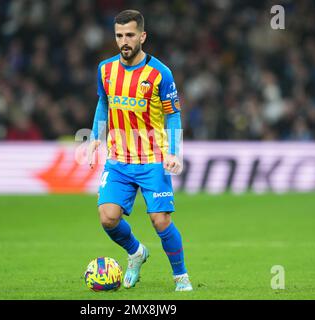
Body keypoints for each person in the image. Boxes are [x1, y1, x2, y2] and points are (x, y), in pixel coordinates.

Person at [87, 9, 192, 292]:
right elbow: (103, 103)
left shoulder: (160, 73)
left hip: (153, 158)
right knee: (108, 217)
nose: (124, 41)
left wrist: (173, 152)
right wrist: (96, 136)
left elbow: (173, 115)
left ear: (142, 36)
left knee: (160, 220)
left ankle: (180, 277)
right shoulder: (105, 70)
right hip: (119, 158)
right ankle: (136, 252)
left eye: (130, 35)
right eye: (119, 35)